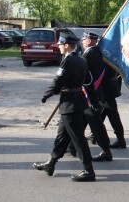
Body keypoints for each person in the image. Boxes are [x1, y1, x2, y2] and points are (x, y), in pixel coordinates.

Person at [33, 34, 96, 182]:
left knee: (78, 138)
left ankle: (88, 170)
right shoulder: (81, 59)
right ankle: (51, 163)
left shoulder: (68, 60)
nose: (58, 46)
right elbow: (86, 79)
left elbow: (58, 81)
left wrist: (47, 94)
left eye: (60, 44)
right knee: (62, 136)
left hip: (70, 104)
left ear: (67, 45)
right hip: (76, 100)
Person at [80, 31, 113, 161]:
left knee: (96, 123)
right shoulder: (95, 52)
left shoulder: (91, 53)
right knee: (76, 122)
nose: (82, 42)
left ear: (89, 41)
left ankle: (106, 151)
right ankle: (70, 146)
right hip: (89, 93)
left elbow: (83, 72)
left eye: (83, 40)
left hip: (91, 94)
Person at [102, 64, 127, 149]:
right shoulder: (108, 52)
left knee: (112, 115)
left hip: (106, 87)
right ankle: (94, 135)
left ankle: (120, 139)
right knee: (103, 113)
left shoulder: (105, 53)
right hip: (108, 86)